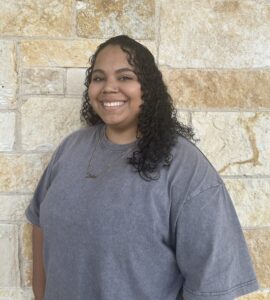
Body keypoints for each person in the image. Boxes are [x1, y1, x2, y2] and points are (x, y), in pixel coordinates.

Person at [25, 35, 258, 300]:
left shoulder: (184, 167)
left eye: (124, 77)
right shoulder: (71, 149)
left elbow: (213, 281)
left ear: (147, 88)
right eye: (99, 78)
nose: (109, 88)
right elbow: (39, 222)